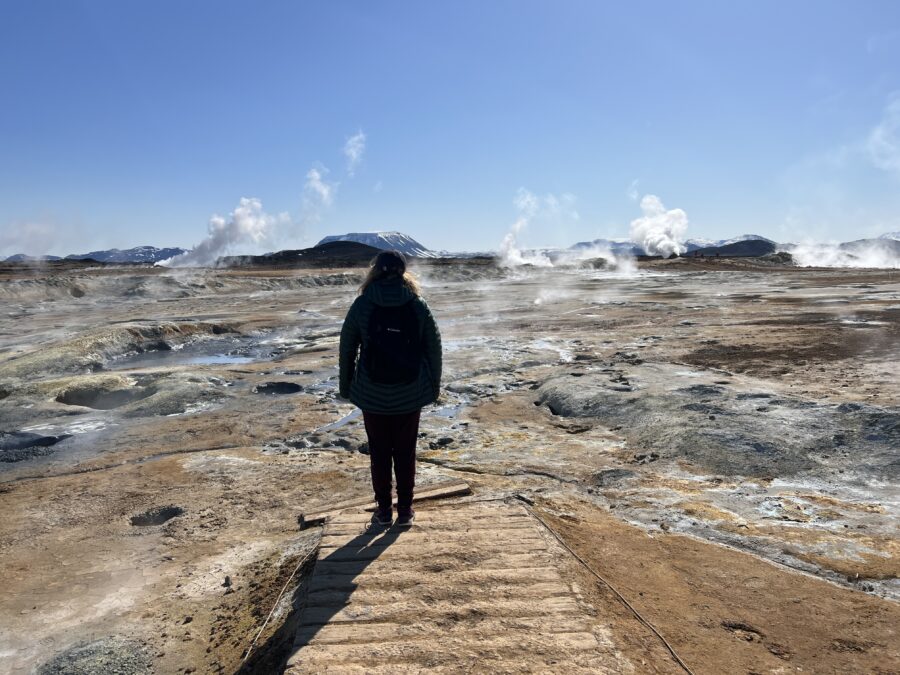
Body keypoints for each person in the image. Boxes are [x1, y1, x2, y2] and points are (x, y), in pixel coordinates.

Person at [338, 250, 442, 527]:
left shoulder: (363, 304)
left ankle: (384, 511)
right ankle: (405, 511)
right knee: (405, 453)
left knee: (380, 453)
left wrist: (347, 387)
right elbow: (433, 348)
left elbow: (347, 347)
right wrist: (433, 388)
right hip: (410, 394)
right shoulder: (418, 304)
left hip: (372, 395)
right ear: (403, 271)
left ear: (376, 271)